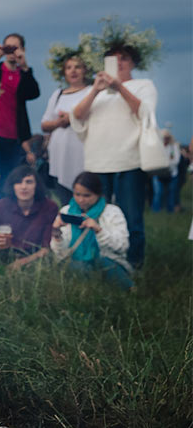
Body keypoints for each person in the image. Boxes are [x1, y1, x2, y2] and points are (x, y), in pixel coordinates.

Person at [70, 41, 157, 269]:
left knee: (131, 219)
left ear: (133, 62)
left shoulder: (143, 85)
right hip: (97, 162)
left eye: (124, 58)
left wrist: (119, 87)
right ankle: (99, 262)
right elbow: (77, 117)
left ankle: (133, 266)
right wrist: (96, 90)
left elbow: (145, 113)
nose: (118, 63)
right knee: (96, 216)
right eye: (113, 59)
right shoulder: (95, 89)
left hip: (129, 161)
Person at [50, 172, 133, 290]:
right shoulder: (67, 211)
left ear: (98, 194)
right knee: (79, 266)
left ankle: (127, 290)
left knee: (102, 263)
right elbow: (60, 254)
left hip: (108, 262)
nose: (81, 199)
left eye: (87, 195)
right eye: (77, 194)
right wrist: (56, 233)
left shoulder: (112, 212)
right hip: (76, 263)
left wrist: (98, 230)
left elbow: (122, 246)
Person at [0, 33, 40, 201]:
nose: (11, 51)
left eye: (15, 48)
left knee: (8, 182)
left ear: (22, 50)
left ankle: (6, 221)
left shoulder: (23, 74)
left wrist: (24, 66)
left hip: (14, 136)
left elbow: (34, 93)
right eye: (7, 47)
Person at [40, 49, 93, 205]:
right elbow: (45, 124)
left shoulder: (91, 91)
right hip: (59, 156)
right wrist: (59, 122)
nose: (73, 71)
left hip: (82, 152)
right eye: (69, 67)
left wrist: (71, 117)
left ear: (85, 70)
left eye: (77, 67)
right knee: (65, 201)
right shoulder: (58, 94)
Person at [0, 165, 58, 270]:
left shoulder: (49, 207)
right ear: (13, 186)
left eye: (29, 182)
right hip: (5, 255)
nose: (23, 187)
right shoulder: (1, 206)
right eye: (18, 182)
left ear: (36, 186)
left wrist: (22, 262)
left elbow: (47, 248)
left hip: (37, 258)